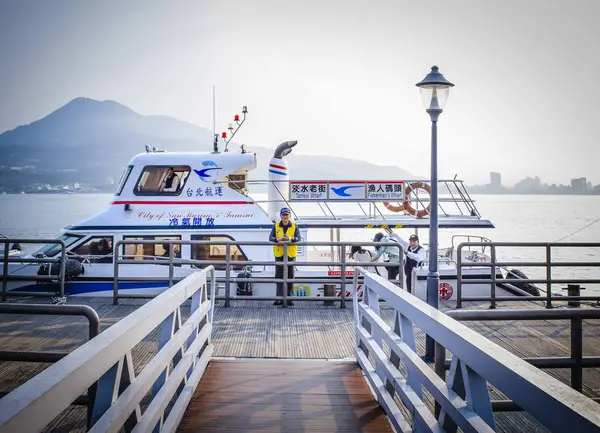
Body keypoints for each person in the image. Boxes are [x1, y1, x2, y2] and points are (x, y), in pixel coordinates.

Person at [269, 207, 301, 306]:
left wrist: (290, 239)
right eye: (283, 215)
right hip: (279, 254)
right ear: (281, 216)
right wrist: (278, 239)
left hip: (290, 255)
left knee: (290, 277)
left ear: (290, 216)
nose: (285, 217)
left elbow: (298, 238)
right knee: (278, 277)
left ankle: (289, 299)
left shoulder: (295, 226)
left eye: (287, 215)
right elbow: (271, 237)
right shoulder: (276, 225)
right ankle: (279, 298)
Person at [387, 230, 426, 294]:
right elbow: (400, 240)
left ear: (418, 242)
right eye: (411, 241)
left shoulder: (421, 250)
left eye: (414, 241)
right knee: (409, 289)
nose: (412, 243)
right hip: (408, 274)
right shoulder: (408, 246)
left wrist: (407, 253)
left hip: (417, 275)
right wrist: (391, 233)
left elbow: (418, 257)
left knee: (417, 291)